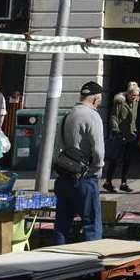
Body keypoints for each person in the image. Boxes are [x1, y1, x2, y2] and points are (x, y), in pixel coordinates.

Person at [53, 81, 105, 245]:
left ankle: (56, 259)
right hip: (85, 178)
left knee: (61, 224)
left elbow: (57, 148)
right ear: (96, 98)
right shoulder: (92, 116)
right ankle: (91, 265)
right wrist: (96, 170)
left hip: (64, 178)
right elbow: (98, 150)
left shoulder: (66, 115)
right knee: (91, 225)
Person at [103, 82, 140, 194]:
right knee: (115, 159)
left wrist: (134, 129)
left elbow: (134, 117)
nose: (135, 97)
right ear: (128, 94)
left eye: (136, 95)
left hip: (131, 134)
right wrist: (116, 130)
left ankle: (123, 183)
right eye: (133, 95)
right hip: (120, 134)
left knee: (127, 159)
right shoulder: (119, 102)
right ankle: (108, 182)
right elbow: (114, 116)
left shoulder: (136, 101)